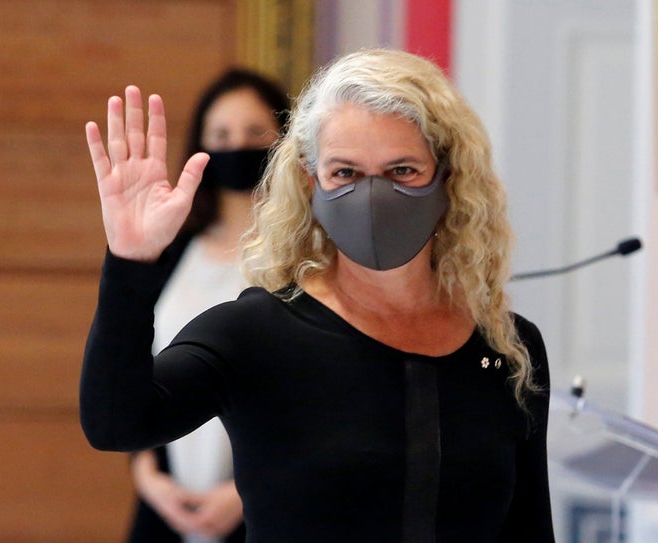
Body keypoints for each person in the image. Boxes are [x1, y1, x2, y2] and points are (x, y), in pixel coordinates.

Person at [81, 48, 555, 542]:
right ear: (311, 183)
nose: (373, 197)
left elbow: (529, 528)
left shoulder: (506, 349)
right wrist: (130, 262)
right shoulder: (255, 333)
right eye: (345, 172)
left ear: (447, 177)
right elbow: (117, 423)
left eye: (402, 171)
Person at [124, 68, 290, 543]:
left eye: (254, 133)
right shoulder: (171, 249)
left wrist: (245, 491)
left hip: (267, 506)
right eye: (220, 135)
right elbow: (134, 364)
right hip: (165, 508)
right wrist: (147, 474)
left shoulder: (306, 256)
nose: (236, 146)